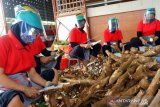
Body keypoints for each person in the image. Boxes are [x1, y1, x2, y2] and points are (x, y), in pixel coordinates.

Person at [0, 5, 55, 107]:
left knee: (51, 74)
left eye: (37, 33)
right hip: (4, 86)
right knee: (14, 99)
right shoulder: (3, 42)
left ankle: (52, 104)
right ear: (21, 25)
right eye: (33, 32)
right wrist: (25, 89)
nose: (35, 37)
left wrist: (46, 84)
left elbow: (32, 74)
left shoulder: (27, 46)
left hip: (22, 82)